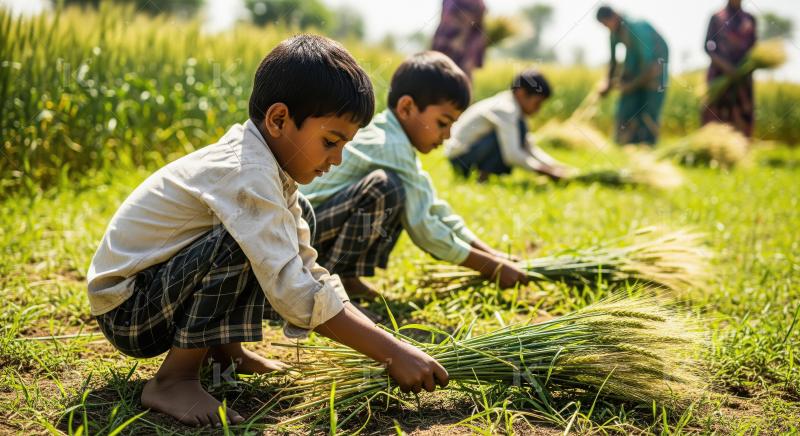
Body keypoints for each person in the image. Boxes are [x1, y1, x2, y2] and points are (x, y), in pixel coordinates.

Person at [87, 35, 448, 427]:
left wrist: (386, 342)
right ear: (278, 120)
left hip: (156, 295)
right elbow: (292, 287)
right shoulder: (248, 173)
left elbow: (307, 268)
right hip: (130, 310)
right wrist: (390, 352)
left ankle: (227, 352)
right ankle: (175, 378)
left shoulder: (273, 171)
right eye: (330, 141)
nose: (337, 158)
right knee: (243, 242)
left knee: (274, 234)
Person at [299, 51, 529, 299]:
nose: (448, 135)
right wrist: (490, 267)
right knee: (385, 188)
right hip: (299, 239)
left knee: (401, 191)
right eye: (443, 123)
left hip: (314, 231)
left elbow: (433, 208)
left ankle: (345, 277)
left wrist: (493, 255)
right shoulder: (390, 145)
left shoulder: (397, 140)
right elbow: (425, 229)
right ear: (407, 108)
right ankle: (326, 286)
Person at [445, 69, 573, 181]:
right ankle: (483, 176)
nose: (538, 109)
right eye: (537, 103)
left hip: (470, 153)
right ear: (521, 93)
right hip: (461, 158)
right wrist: (546, 171)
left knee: (519, 133)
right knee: (506, 137)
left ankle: (483, 176)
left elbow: (529, 147)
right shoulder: (506, 109)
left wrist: (556, 166)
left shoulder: (516, 112)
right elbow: (512, 154)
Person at [596, 5, 669, 145]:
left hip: (655, 67)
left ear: (614, 16)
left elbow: (649, 64)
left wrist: (631, 85)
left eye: (606, 23)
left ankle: (647, 145)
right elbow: (613, 62)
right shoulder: (614, 32)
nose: (606, 28)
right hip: (635, 69)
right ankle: (626, 143)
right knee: (627, 107)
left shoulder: (636, 29)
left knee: (649, 110)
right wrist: (607, 83)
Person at [703, 0, 757, 136]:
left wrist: (745, 67)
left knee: (742, 117)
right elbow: (707, 46)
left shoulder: (750, 19)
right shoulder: (717, 17)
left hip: (742, 78)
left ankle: (741, 148)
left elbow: (754, 49)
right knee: (715, 116)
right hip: (719, 75)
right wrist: (725, 66)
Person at [431, 0, 487, 80]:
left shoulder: (477, 3)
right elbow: (443, 19)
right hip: (443, 46)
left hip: (465, 50)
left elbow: (479, 26)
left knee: (462, 77)